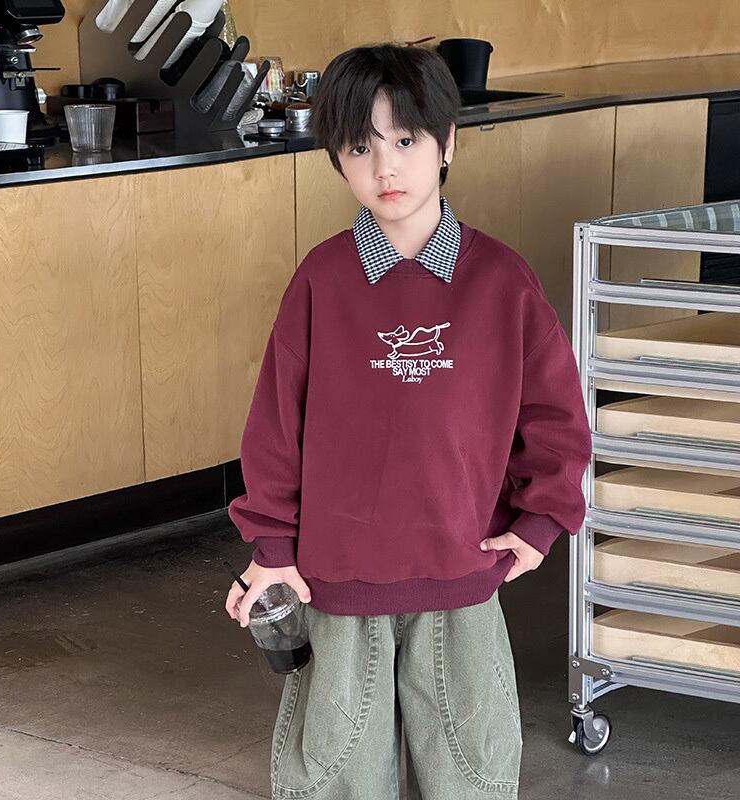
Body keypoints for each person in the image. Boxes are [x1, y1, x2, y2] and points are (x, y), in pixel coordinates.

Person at [224, 42, 592, 800]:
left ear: (447, 143)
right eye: (361, 147)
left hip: (462, 572)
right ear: (337, 157)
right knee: (339, 776)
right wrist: (271, 547)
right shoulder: (321, 280)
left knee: (471, 776)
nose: (386, 168)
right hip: (335, 581)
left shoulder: (502, 281)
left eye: (406, 140)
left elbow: (555, 416)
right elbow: (275, 428)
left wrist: (540, 523)